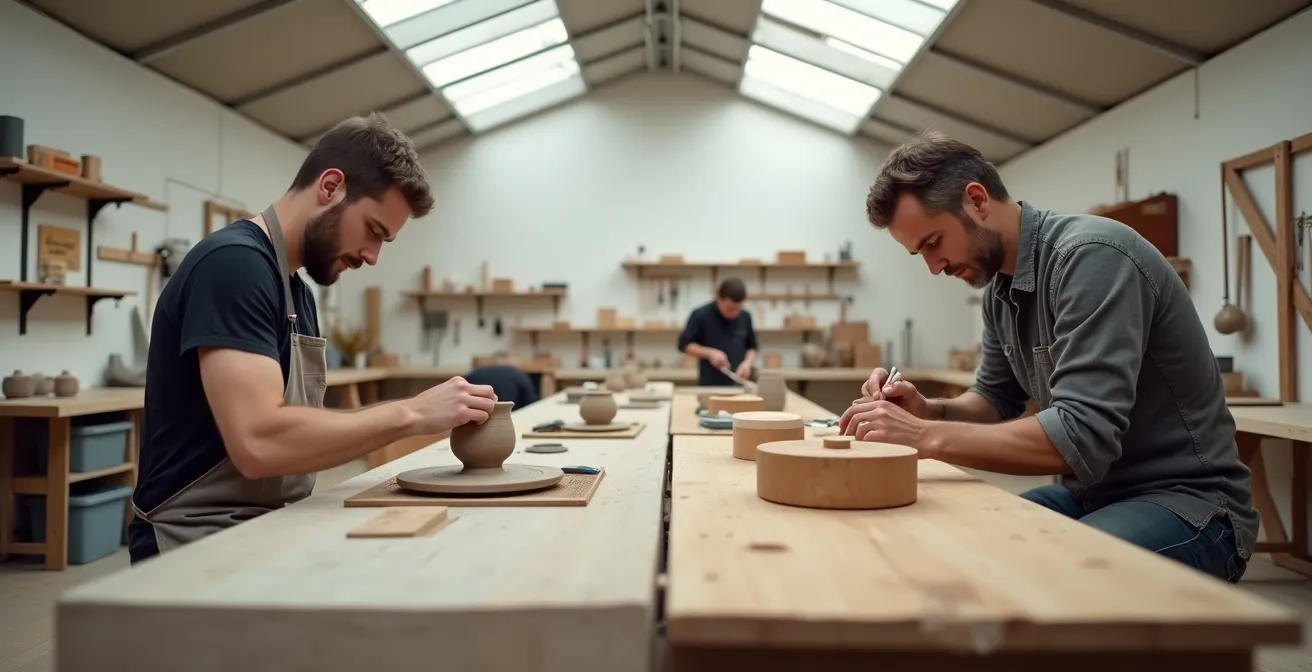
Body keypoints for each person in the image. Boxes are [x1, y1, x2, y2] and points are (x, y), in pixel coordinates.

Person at [837, 130, 1256, 583]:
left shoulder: (1092, 258)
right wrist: (928, 409)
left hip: (1188, 505)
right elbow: (994, 400)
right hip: (1093, 497)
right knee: (954, 541)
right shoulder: (999, 289)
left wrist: (925, 435)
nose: (934, 267)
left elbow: (1083, 434)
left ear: (977, 200)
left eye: (934, 242)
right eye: (921, 254)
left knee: (1036, 574)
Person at [129, 113, 499, 564]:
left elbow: (295, 433)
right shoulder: (233, 266)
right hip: (195, 540)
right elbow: (259, 442)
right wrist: (410, 414)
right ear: (330, 187)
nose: (372, 255)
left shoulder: (295, 290)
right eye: (373, 230)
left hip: (266, 523)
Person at [677, 277, 759, 386]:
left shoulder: (746, 317)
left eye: (737, 309)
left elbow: (752, 347)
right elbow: (684, 345)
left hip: (740, 383)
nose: (734, 313)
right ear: (718, 296)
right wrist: (710, 353)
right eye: (729, 309)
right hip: (710, 385)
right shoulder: (700, 315)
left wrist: (747, 364)